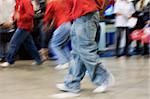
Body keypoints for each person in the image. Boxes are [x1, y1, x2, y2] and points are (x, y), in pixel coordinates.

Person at [56, 0, 115, 93]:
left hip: (86, 14)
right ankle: (72, 83)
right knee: (76, 53)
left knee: (86, 50)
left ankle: (103, 78)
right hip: (80, 15)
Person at [0, 0, 42, 67]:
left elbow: (30, 14)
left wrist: (20, 17)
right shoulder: (18, 2)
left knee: (14, 43)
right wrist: (14, 17)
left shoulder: (25, 1)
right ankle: (38, 59)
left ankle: (9, 61)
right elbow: (16, 14)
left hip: (25, 26)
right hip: (22, 25)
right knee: (29, 44)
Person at [43, 0, 72, 70]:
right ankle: (70, 62)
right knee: (62, 45)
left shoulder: (52, 2)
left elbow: (48, 15)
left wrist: (46, 25)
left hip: (62, 25)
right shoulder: (64, 1)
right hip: (69, 24)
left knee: (53, 44)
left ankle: (64, 62)